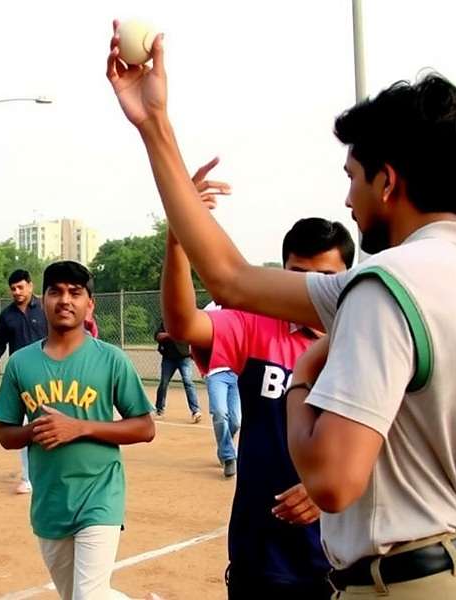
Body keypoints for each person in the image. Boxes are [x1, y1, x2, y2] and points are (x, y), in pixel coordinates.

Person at [108, 29, 456, 597]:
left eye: (353, 178)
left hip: (407, 585)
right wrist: (155, 123)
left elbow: (329, 481)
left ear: (388, 181)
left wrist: (303, 377)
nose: (349, 200)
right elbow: (230, 277)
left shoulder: (386, 286)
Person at [162, 161, 353, 597]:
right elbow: (183, 324)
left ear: (345, 279)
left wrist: (327, 488)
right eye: (296, 275)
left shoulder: (362, 340)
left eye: (325, 278)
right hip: (261, 552)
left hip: (342, 554)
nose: (309, 290)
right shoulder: (256, 324)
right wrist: (178, 238)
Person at [0, 261, 156, 600]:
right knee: (74, 596)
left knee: (88, 597)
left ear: (89, 304)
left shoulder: (111, 359)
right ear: (44, 299)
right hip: (51, 502)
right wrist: (36, 430)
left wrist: (78, 427)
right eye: (56, 291)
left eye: (75, 293)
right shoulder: (21, 364)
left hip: (100, 495)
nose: (65, 300)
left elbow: (144, 427)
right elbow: (6, 435)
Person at [0, 269, 48, 494]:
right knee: (23, 425)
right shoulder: (7, 315)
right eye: (13, 288)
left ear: (31, 286)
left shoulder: (45, 307)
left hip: (48, 373)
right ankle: (28, 477)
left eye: (21, 287)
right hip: (20, 377)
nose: (17, 292)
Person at [201, 301, 243, 478]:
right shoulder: (210, 310)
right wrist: (204, 368)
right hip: (216, 371)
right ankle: (228, 457)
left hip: (239, 372)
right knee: (219, 412)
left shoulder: (245, 307)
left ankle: (223, 447)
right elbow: (196, 340)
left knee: (236, 421)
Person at [152, 321, 201, 422]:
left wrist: (193, 352)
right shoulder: (166, 321)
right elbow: (157, 336)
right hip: (168, 358)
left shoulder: (185, 321)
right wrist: (170, 335)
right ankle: (159, 409)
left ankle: (195, 411)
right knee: (163, 383)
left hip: (184, 357)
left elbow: (193, 336)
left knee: (188, 382)